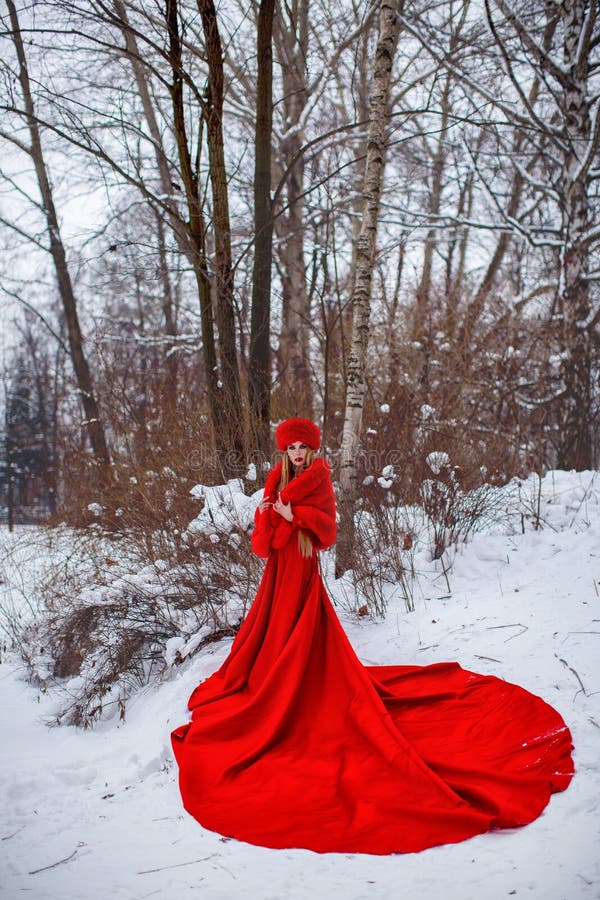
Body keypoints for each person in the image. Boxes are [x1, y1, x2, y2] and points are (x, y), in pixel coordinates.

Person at [171, 418, 574, 855]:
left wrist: (294, 514)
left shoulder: (318, 479)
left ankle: (298, 684)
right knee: (271, 637)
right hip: (276, 573)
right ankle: (273, 683)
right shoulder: (274, 481)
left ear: (313, 449)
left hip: (302, 571)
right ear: (283, 451)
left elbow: (326, 532)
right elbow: (261, 545)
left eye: (305, 447)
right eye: (292, 448)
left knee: (306, 635)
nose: (299, 454)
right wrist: (274, 516)